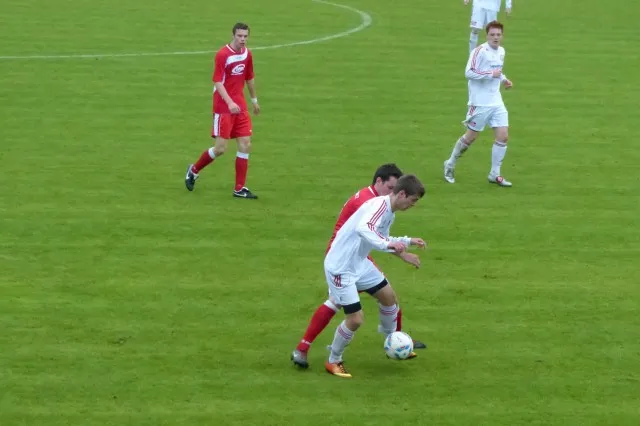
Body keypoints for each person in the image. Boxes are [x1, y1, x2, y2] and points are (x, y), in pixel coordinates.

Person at [291, 164, 427, 370]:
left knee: (389, 297)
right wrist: (388, 245)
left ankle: (394, 341)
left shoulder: (388, 209)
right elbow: (365, 229)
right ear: (401, 194)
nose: (413, 205)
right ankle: (333, 360)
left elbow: (381, 236)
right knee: (354, 318)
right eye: (413, 200)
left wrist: (406, 242)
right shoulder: (377, 205)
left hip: (359, 261)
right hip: (342, 266)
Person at [184, 22, 261, 199]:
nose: (242, 39)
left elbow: (249, 77)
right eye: (239, 36)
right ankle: (193, 170)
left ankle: (239, 188)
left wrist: (254, 101)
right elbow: (217, 82)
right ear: (233, 35)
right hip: (223, 107)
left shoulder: (247, 54)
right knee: (220, 149)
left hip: (240, 106)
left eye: (245, 36)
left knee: (245, 144)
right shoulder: (223, 55)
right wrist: (229, 102)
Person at [444, 21, 514, 187]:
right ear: (487, 35)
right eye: (492, 34)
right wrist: (491, 74)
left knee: (503, 136)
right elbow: (469, 73)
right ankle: (450, 164)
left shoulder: (501, 51)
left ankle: (494, 174)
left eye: (498, 35)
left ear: (502, 36)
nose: (495, 37)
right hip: (480, 102)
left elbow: (497, 70)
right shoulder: (479, 51)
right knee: (471, 137)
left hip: (496, 101)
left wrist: (504, 79)